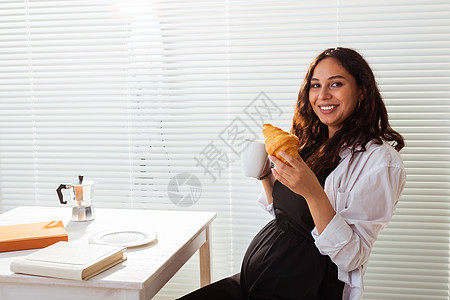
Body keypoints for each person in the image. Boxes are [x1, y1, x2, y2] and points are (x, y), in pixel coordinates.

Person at [178, 47, 406, 300]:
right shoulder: (312, 145)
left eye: (336, 84)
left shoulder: (379, 161)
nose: (323, 95)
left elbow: (352, 255)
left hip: (304, 289)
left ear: (362, 90)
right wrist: (266, 176)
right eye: (315, 85)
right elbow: (290, 216)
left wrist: (312, 192)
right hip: (256, 280)